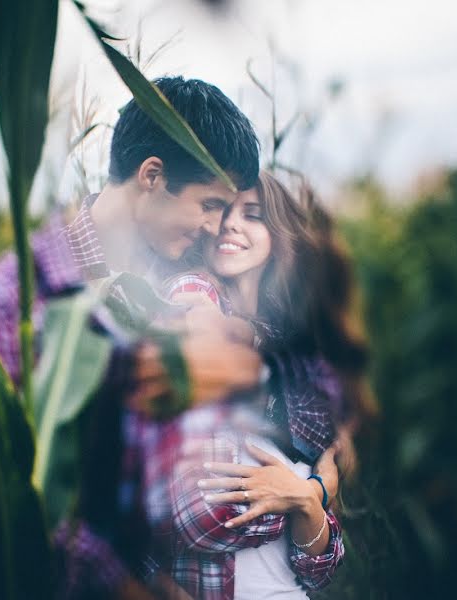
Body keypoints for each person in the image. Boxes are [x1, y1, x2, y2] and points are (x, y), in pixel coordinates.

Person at [0, 75, 267, 598]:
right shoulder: (10, 302)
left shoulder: (172, 272)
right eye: (211, 205)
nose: (217, 228)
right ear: (152, 176)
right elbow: (16, 509)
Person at [146, 171, 375, 598]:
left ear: (278, 236)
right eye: (221, 211)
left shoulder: (298, 363)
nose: (230, 224)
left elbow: (320, 568)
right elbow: (200, 519)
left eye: (252, 215)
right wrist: (308, 494)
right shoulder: (190, 302)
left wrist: (306, 500)